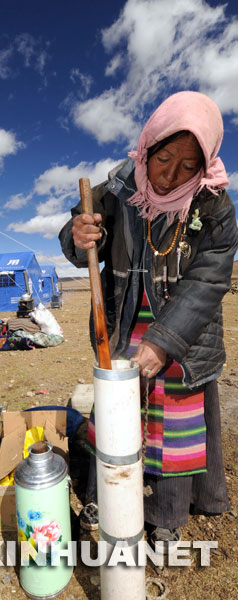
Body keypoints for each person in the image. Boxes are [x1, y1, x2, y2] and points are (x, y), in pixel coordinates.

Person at [59, 91, 238, 545]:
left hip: (182, 330)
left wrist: (165, 341)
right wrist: (77, 234)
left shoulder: (215, 207)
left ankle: (166, 514)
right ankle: (111, 497)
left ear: (205, 164)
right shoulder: (118, 189)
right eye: (163, 158)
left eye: (187, 166)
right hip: (124, 323)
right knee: (119, 415)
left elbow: (208, 281)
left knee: (171, 423)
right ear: (148, 146)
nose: (169, 175)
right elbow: (77, 242)